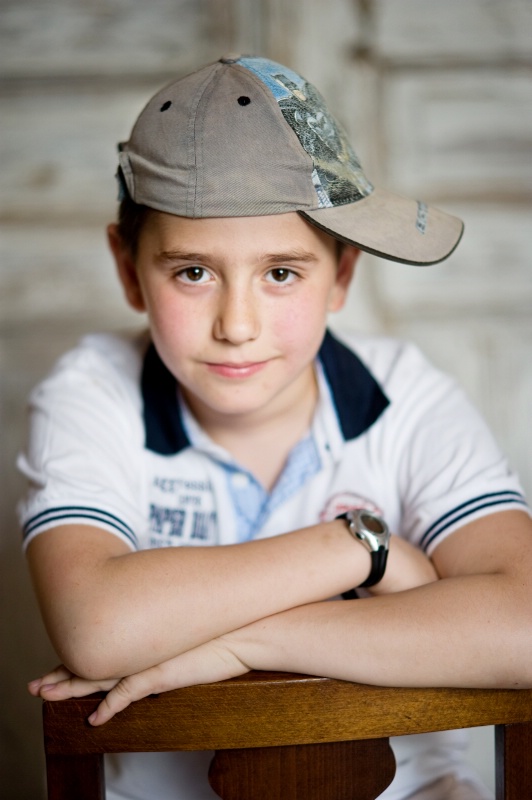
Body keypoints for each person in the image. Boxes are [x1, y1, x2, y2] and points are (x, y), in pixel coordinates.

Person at [19, 55, 531, 800]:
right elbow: (96, 628)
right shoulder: (92, 391)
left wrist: (244, 641)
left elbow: (522, 624)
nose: (236, 325)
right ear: (129, 270)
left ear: (343, 276)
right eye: (192, 272)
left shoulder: (405, 396)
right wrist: (362, 549)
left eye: (281, 273)